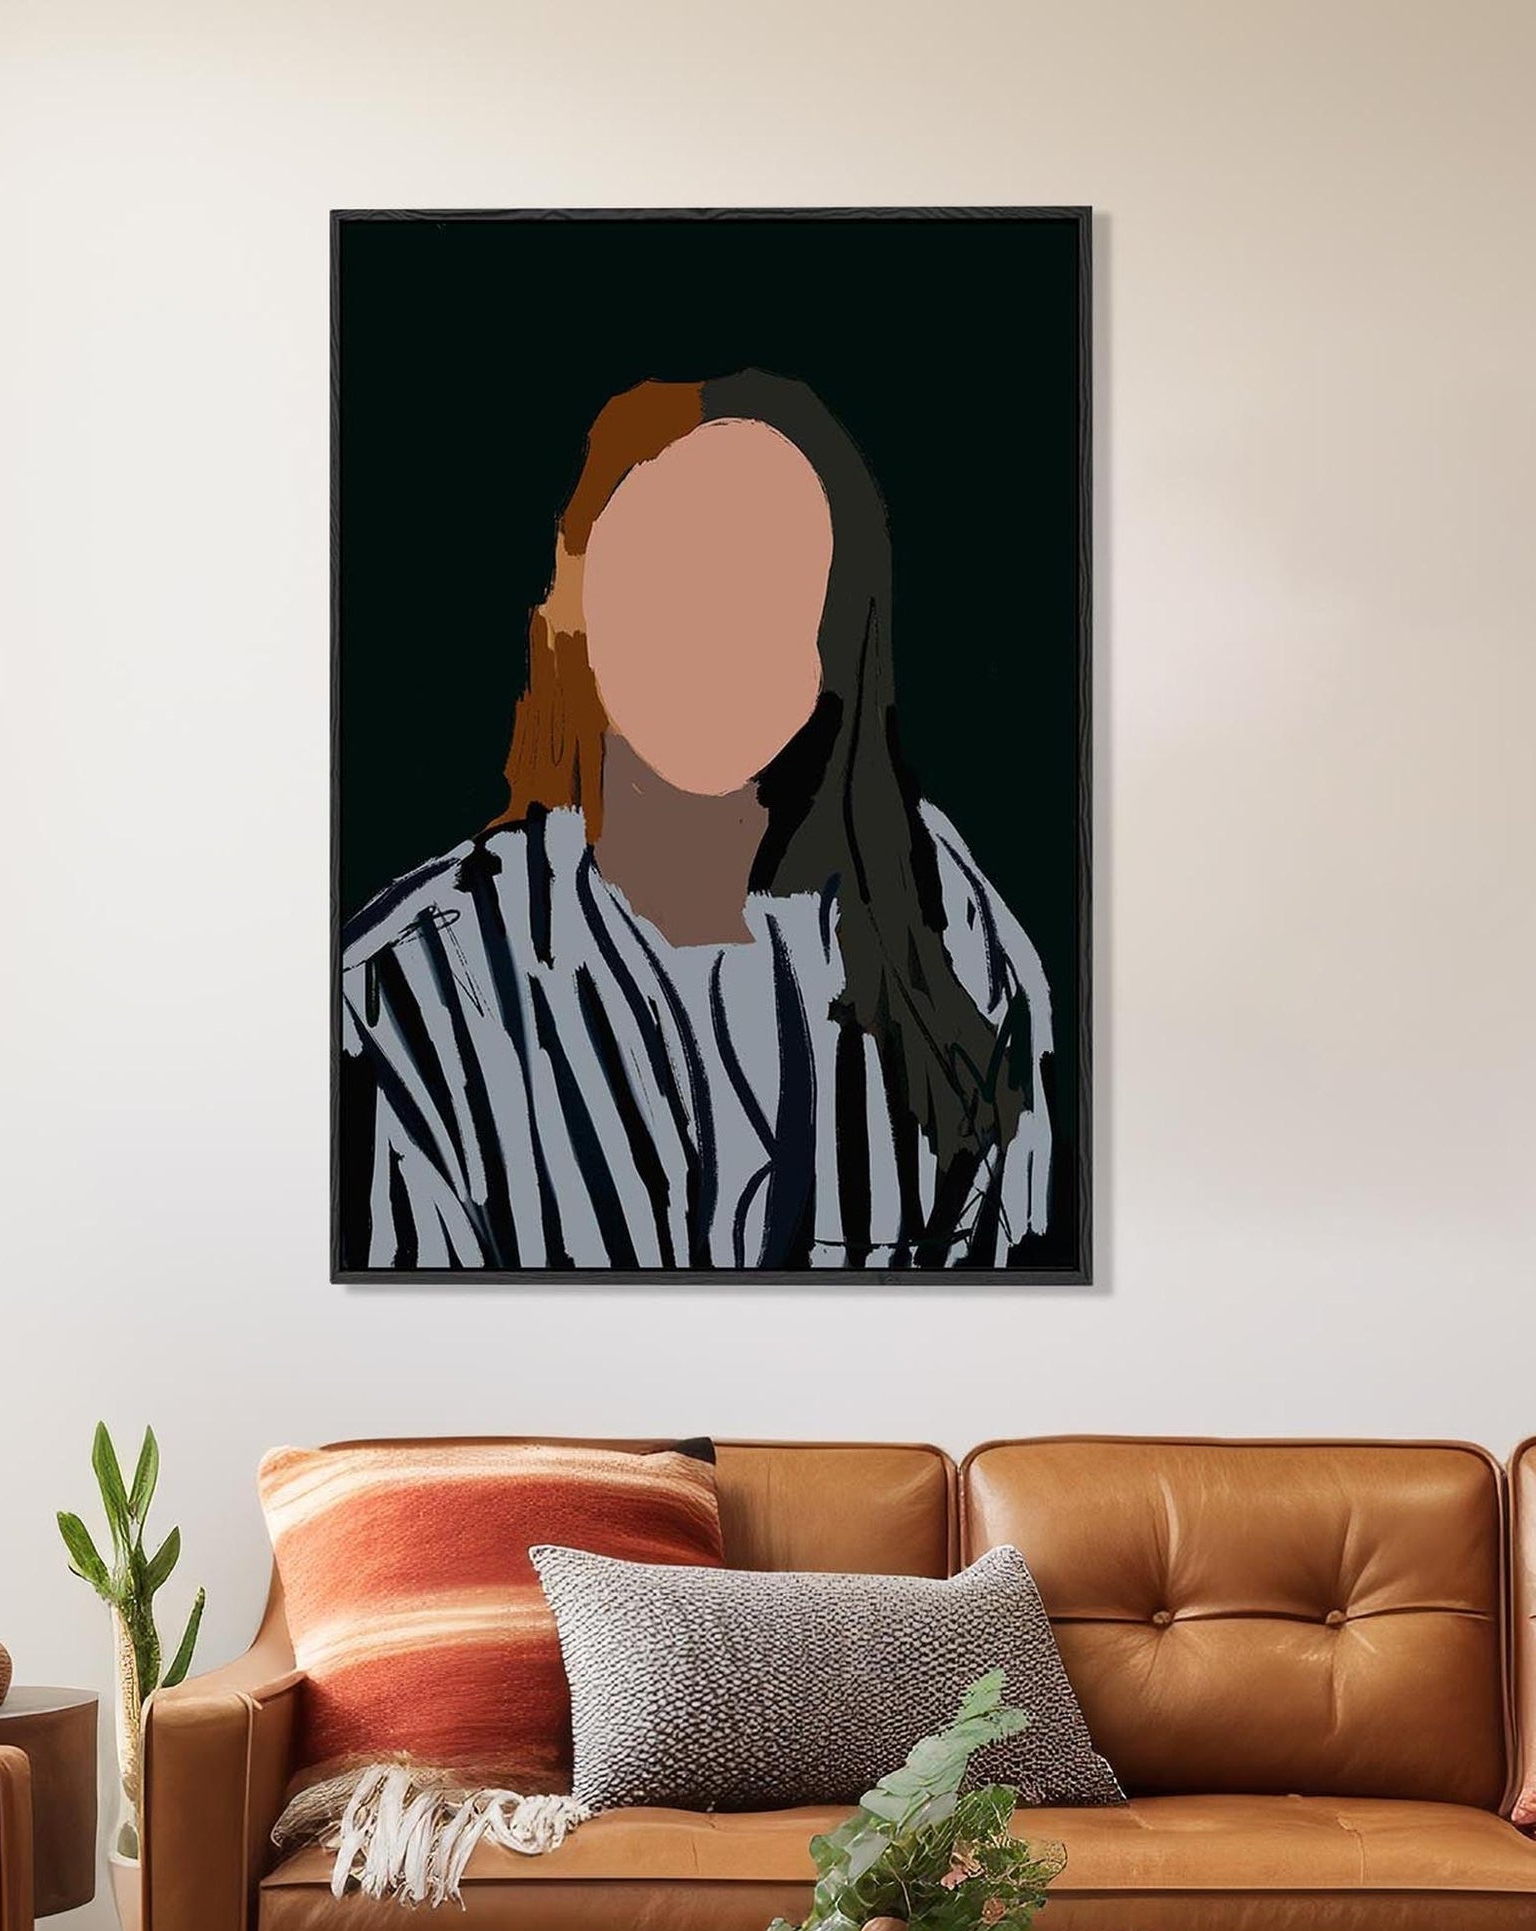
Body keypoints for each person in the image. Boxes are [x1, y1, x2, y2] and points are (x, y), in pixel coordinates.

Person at [339, 371, 1053, 1273]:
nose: (715, 629)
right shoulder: (409, 997)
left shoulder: (957, 940)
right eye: (671, 573)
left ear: (831, 642)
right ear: (580, 608)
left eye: (769, 583)